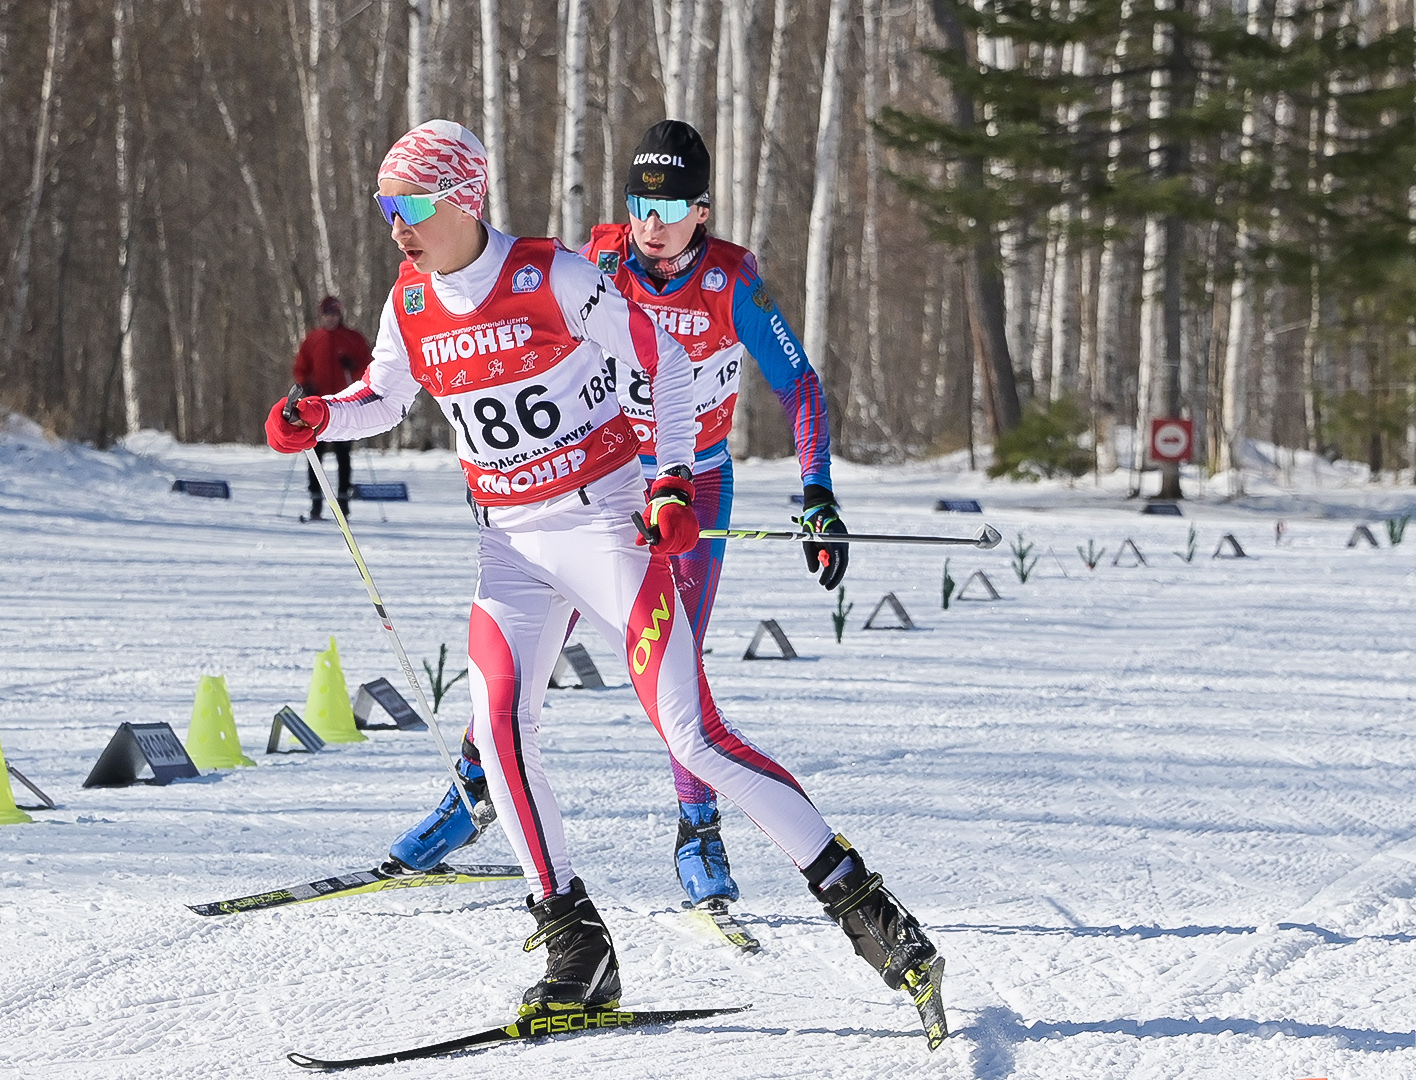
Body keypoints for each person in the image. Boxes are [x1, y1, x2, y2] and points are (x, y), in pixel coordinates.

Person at [265, 119, 939, 1030]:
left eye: (413, 205)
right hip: (508, 546)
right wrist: (317, 417)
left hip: (604, 526)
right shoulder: (409, 300)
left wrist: (667, 480)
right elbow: (385, 396)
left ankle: (865, 907)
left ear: (466, 200)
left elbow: (658, 365)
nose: (397, 225)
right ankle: (576, 945)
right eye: (388, 207)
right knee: (500, 728)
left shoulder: (555, 276)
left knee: (692, 735)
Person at [385, 120, 850, 918]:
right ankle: (473, 793)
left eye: (671, 207)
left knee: (678, 660)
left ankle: (697, 827)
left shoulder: (736, 281)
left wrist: (817, 491)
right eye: (640, 202)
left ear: (702, 211)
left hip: (692, 485)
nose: (652, 222)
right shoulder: (595, 260)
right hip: (602, 479)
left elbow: (799, 385)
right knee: (523, 645)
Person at [291, 296, 373, 519]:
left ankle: (343, 501)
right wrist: (304, 384)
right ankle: (316, 501)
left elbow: (367, 369)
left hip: (343, 405)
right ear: (322, 315)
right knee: (315, 452)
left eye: (335, 314)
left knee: (343, 453)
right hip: (317, 405)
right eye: (328, 314)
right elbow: (301, 367)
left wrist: (354, 367)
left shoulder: (352, 338)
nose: (331, 318)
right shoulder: (313, 339)